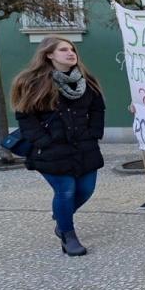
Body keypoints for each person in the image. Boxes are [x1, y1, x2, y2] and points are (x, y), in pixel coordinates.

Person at [10, 37, 105, 256]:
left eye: (72, 49)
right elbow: (25, 116)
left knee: (86, 190)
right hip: (52, 149)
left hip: (84, 146)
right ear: (48, 54)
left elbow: (98, 109)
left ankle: (62, 219)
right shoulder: (30, 81)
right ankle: (67, 235)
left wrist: (94, 133)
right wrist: (43, 140)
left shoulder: (86, 81)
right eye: (63, 49)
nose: (71, 53)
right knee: (66, 191)